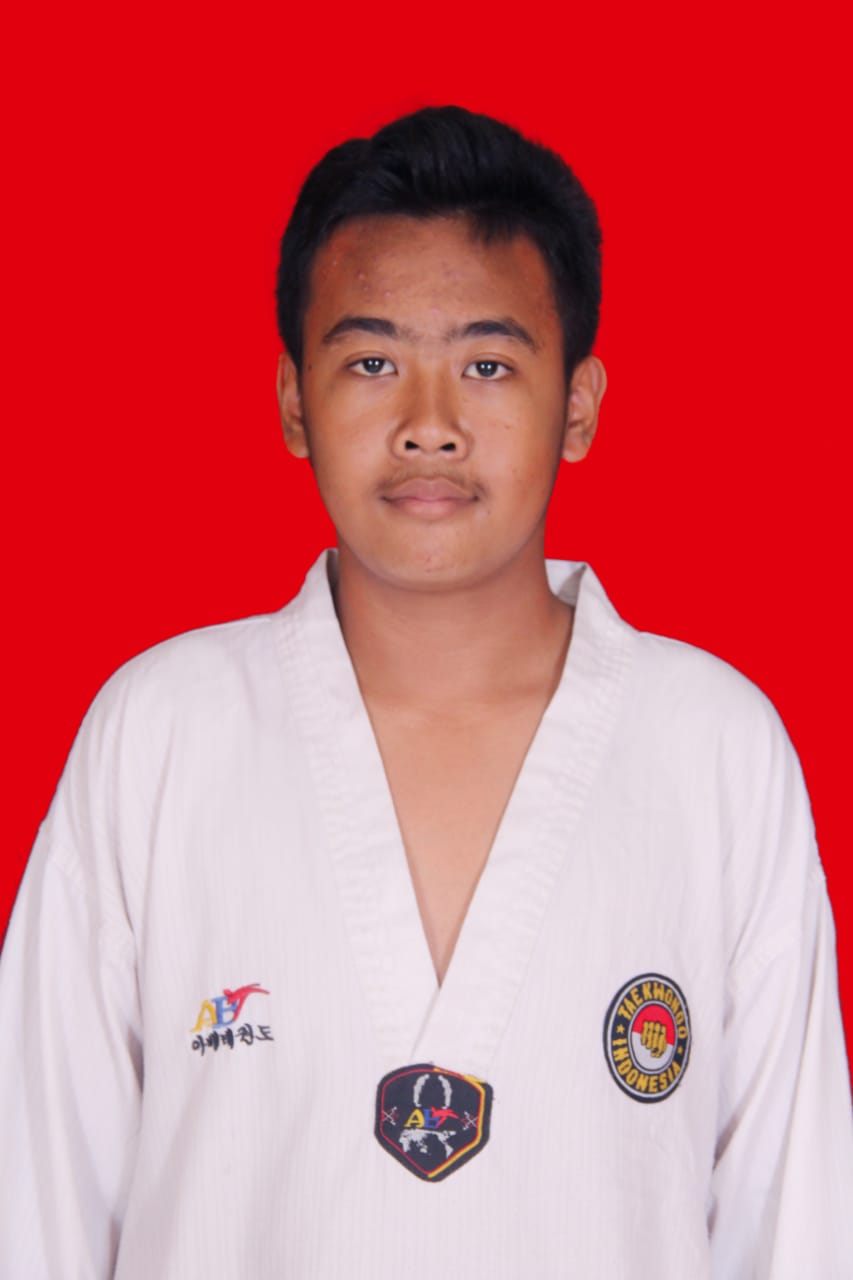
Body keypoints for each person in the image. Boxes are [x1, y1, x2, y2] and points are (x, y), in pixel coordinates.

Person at [1, 105, 850, 1278]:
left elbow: (793, 1225)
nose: (430, 427)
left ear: (579, 405)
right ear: (294, 401)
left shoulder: (712, 749)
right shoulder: (159, 736)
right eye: (372, 363)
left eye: (487, 365)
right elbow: (34, 1198)